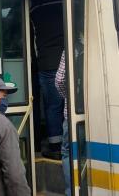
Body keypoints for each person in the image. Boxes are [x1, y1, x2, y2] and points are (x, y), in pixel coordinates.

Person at [31, 0, 65, 159]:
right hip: (68, 60)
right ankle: (71, 142)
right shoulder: (64, 1)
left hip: (46, 64)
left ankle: (55, 146)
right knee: (70, 106)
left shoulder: (35, 9)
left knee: (53, 107)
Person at [55, 51, 71, 196]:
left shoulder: (70, 49)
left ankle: (71, 191)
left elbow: (60, 80)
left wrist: (69, 96)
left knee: (67, 153)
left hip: (72, 115)